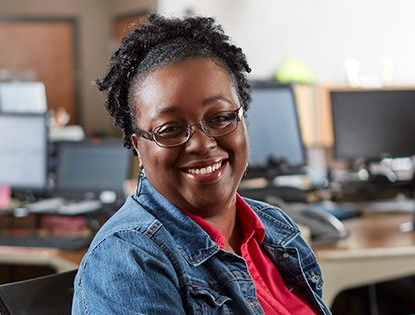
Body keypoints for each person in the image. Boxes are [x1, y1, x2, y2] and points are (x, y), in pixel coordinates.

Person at [72, 14, 331, 314]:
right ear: (138, 147)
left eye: (220, 118)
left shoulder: (275, 227)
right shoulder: (127, 259)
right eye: (170, 129)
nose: (202, 143)